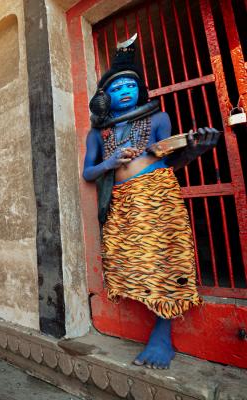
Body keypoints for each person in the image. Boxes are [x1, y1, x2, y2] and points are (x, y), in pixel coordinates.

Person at [82, 34, 220, 369]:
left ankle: (162, 333)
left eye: (130, 85)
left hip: (157, 195)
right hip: (121, 201)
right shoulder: (97, 134)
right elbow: (88, 172)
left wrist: (194, 150)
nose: (124, 91)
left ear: (140, 90)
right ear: (104, 98)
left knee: (164, 258)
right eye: (116, 88)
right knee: (130, 261)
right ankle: (151, 319)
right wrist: (110, 162)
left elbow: (170, 158)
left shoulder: (158, 119)